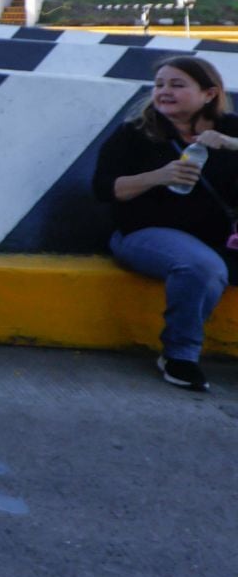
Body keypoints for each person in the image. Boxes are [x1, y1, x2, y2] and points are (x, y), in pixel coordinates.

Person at [92, 56, 238, 392]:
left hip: (219, 237)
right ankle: (180, 355)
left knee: (209, 265)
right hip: (146, 233)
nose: (164, 91)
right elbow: (104, 189)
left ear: (209, 93)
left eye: (177, 84)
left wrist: (231, 144)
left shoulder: (230, 129)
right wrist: (158, 176)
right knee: (201, 267)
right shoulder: (135, 133)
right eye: (159, 85)